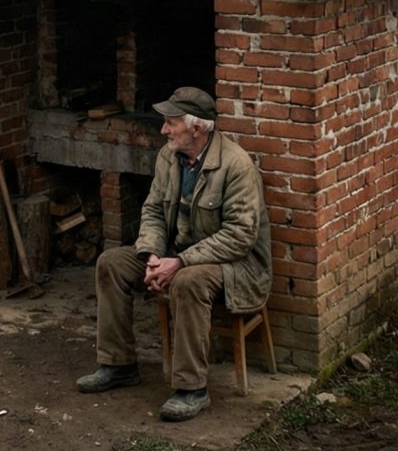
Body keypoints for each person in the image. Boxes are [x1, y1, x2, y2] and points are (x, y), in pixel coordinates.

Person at [76, 86, 272, 423]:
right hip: (175, 255)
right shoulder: (169, 157)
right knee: (111, 263)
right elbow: (152, 209)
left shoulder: (236, 166)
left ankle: (191, 388)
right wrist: (152, 254)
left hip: (235, 267)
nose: (164, 130)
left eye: (171, 123)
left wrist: (180, 261)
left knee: (188, 281)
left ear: (197, 128)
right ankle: (118, 364)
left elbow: (239, 237)